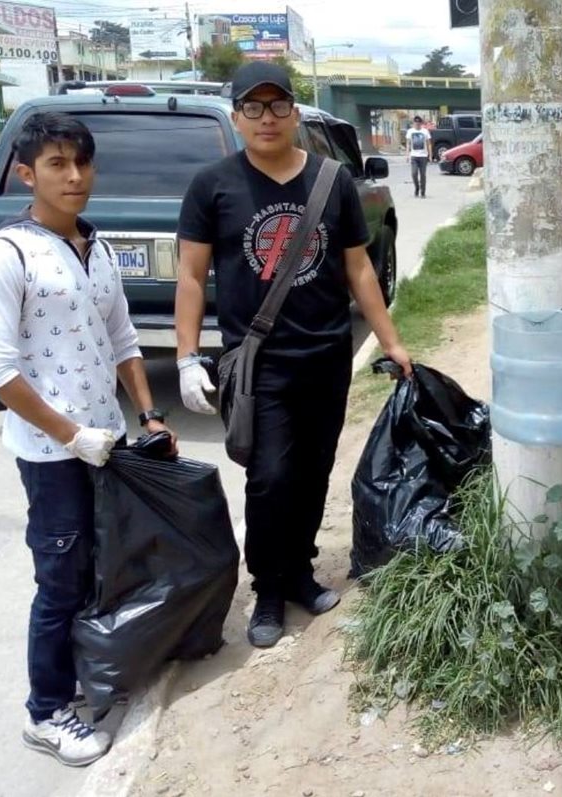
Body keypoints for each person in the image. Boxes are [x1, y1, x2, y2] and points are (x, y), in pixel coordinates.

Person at [174, 62, 412, 649]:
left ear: (294, 112)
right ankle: (269, 587)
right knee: (270, 477)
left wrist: (390, 340)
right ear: (236, 117)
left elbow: (359, 268)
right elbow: (190, 275)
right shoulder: (213, 185)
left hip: (328, 355)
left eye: (277, 105)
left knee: (311, 472)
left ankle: (301, 571)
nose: (266, 118)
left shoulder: (332, 181)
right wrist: (185, 357)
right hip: (259, 365)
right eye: (252, 108)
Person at [0, 112, 176, 766]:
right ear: (27, 173)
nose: (75, 176)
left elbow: (123, 340)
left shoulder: (99, 246)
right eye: (57, 164)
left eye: (82, 163)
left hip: (108, 443)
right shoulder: (8, 255)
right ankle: (46, 710)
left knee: (100, 565)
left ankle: (91, 676)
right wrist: (71, 435)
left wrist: (147, 415)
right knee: (59, 579)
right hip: (53, 455)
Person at [406, 115, 432, 198]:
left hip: (423, 156)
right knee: (414, 173)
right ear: (413, 123)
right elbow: (408, 144)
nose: (417, 124)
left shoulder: (425, 131)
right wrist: (407, 155)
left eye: (418, 122)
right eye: (415, 122)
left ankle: (423, 192)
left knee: (423, 175)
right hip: (414, 156)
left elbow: (429, 144)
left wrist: (430, 155)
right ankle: (417, 188)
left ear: (421, 123)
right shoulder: (410, 131)